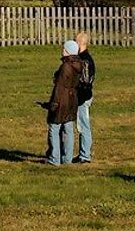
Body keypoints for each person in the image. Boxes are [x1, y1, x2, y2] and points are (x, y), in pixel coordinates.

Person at [40, 40, 82, 166]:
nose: (62, 51)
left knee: (54, 128)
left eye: (64, 49)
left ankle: (55, 158)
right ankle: (67, 159)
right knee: (68, 128)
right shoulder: (78, 65)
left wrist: (53, 103)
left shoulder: (66, 66)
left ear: (68, 51)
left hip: (62, 99)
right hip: (72, 99)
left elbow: (59, 87)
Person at [74, 31, 95, 164]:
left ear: (81, 43)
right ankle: (83, 153)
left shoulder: (85, 60)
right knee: (81, 125)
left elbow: (85, 81)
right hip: (82, 96)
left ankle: (85, 155)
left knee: (83, 126)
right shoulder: (83, 58)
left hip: (83, 97)